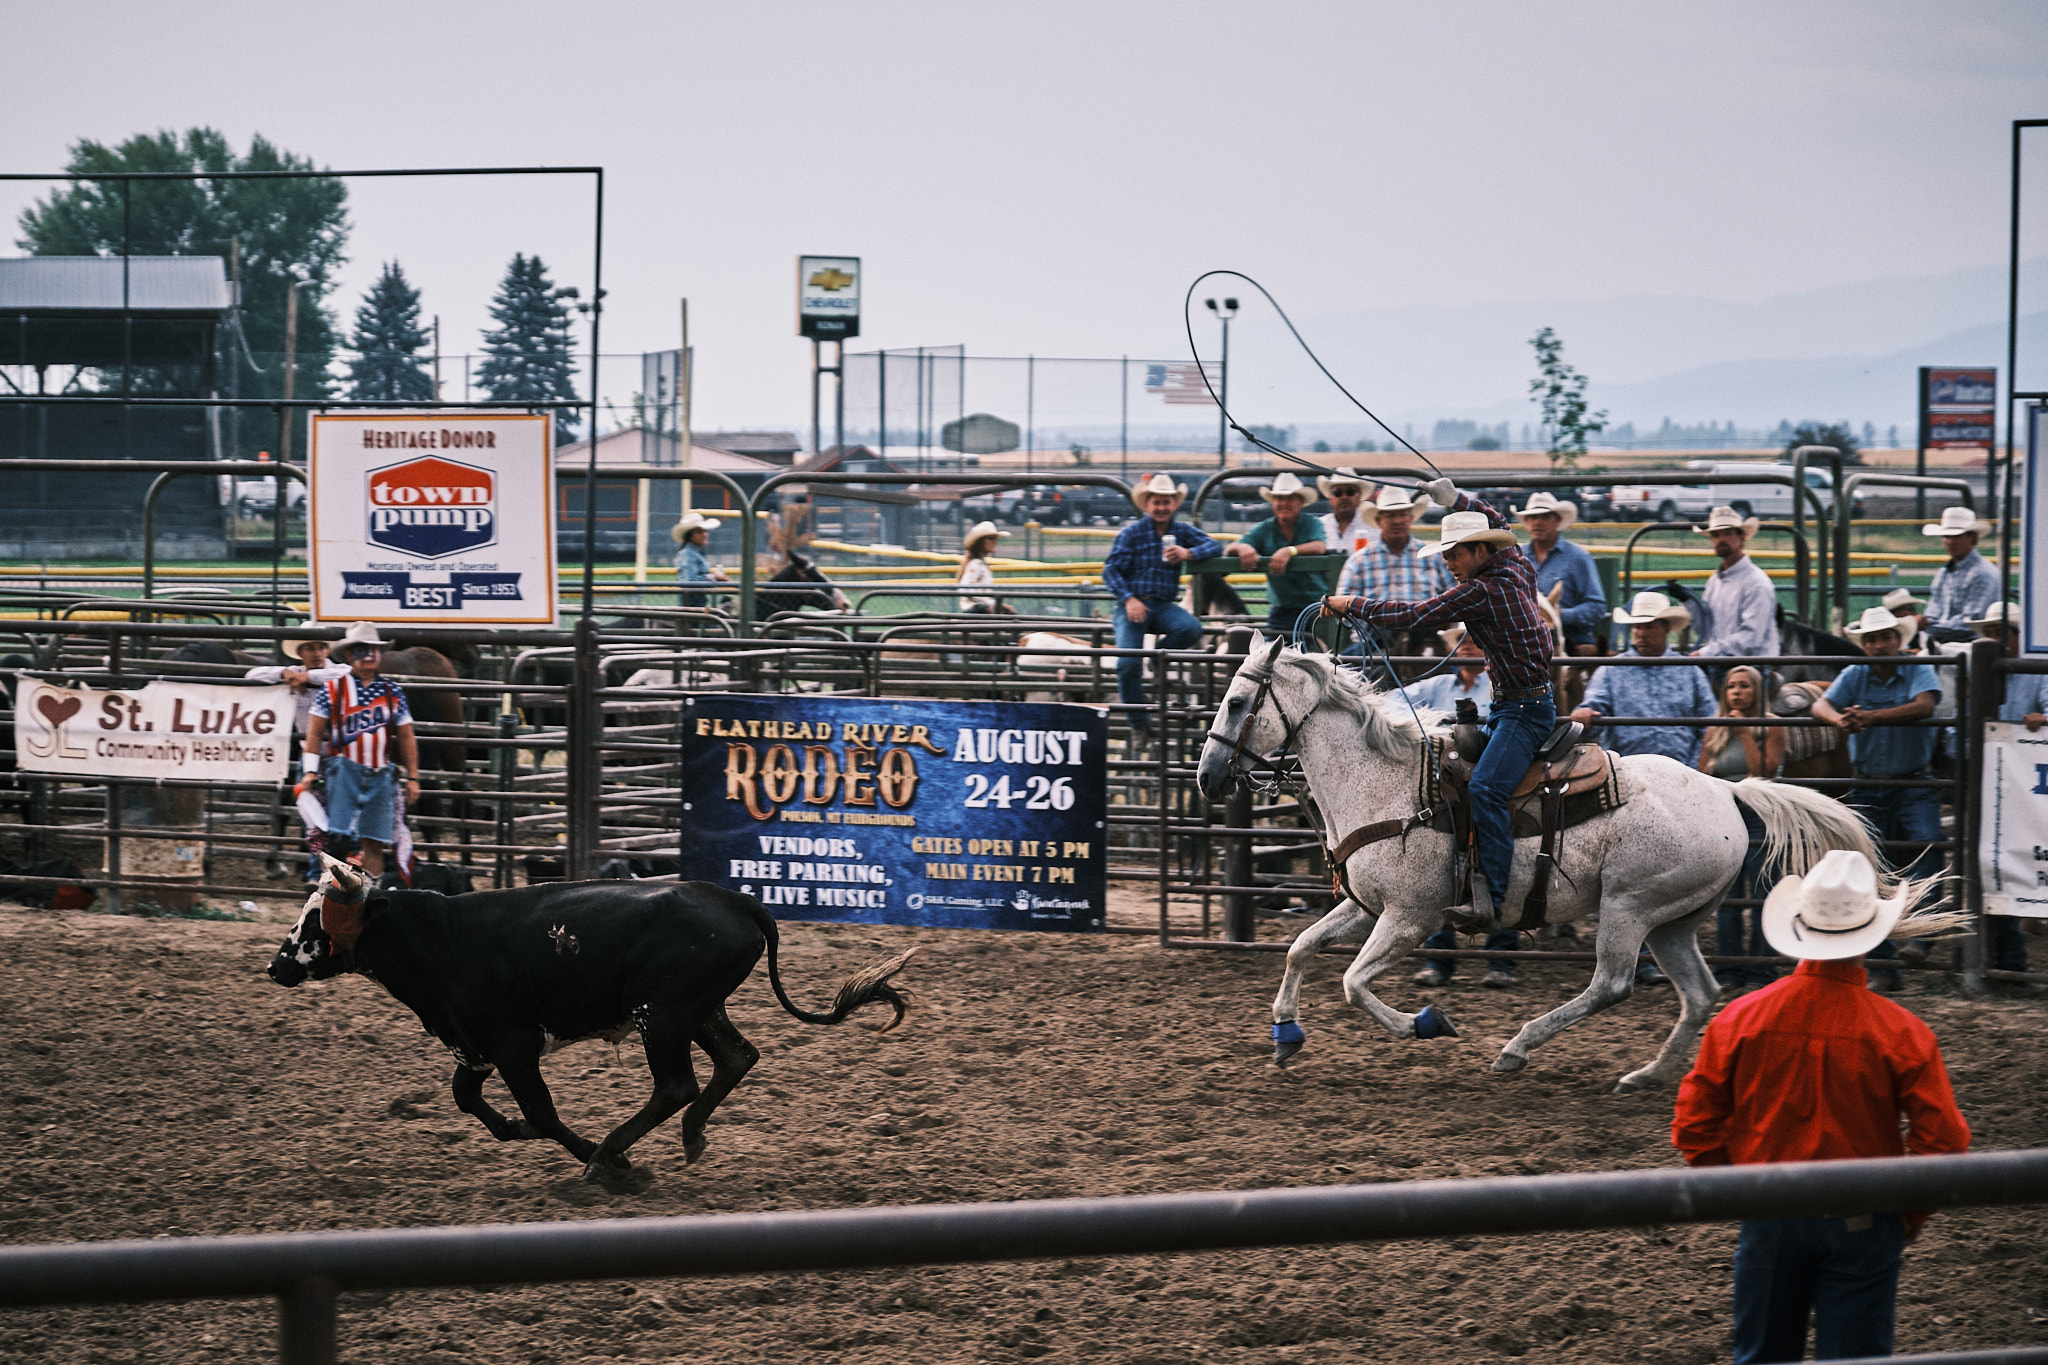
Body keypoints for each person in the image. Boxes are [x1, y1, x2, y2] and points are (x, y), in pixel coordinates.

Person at [1672, 849, 1970, 1364]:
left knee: (1763, 1354)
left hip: (1769, 1209)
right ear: (1871, 935)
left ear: (1800, 926)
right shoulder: (1902, 1032)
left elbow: (1694, 1124)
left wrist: (1738, 1191)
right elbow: (1946, 1140)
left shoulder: (1739, 1019)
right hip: (1865, 1214)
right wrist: (1905, 1214)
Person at [1325, 479, 1551, 930]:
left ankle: (1494, 898)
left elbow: (1415, 615)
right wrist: (1455, 500)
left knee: (1485, 789)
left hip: (1522, 712)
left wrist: (1353, 603)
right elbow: (1501, 523)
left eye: (1455, 554)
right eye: (1445, 555)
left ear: (1481, 551)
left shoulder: (1482, 592)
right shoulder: (1515, 565)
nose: (1448, 563)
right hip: (1516, 705)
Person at [1810, 606, 1943, 992]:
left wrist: (1869, 717)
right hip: (1871, 783)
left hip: (1912, 780)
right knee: (1872, 865)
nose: (1879, 645)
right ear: (1865, 645)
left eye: (1885, 637)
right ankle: (1886, 962)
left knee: (1927, 844)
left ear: (1898, 640)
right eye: (1871, 639)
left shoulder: (1916, 667)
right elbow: (1820, 705)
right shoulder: (1856, 673)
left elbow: (1925, 705)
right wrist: (1840, 720)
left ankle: (1920, 932)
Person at [1409, 627, 1520, 987]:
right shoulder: (1435, 687)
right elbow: (1393, 702)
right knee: (1439, 862)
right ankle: (1440, 957)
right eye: (1461, 640)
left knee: (1496, 852)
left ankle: (1499, 957)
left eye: (1474, 639)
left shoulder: (1499, 686)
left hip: (1490, 781)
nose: (1467, 646)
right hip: (1447, 788)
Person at [1102, 473, 1222, 744]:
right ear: (1147, 505)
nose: (1162, 507)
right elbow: (1110, 570)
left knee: (1192, 628)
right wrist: (1129, 599)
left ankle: (1158, 659)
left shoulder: (1181, 531)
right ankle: (1139, 724)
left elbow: (1215, 546)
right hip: (1132, 605)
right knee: (1127, 664)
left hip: (1162, 605)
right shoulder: (1132, 534)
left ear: (1174, 504)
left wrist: (1188, 553)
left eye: (1167, 502)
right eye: (1157, 502)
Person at [302, 621, 422, 881]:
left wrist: (413, 776)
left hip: (380, 772)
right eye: (361, 649)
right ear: (349, 655)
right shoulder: (333, 689)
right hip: (343, 770)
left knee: (374, 841)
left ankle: (370, 892)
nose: (369, 655)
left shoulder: (392, 691)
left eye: (373, 649)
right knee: (337, 838)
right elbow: (314, 732)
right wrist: (310, 771)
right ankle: (334, 891)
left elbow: (406, 735)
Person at [1698, 665, 1785, 991]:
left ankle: (1762, 969)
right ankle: (1729, 968)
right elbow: (1703, 776)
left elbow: (1764, 772)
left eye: (1745, 686)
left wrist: (1745, 733)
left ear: (1757, 691)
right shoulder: (1716, 729)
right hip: (1726, 815)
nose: (1736, 692)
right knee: (1728, 897)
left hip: (1761, 815)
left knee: (1764, 893)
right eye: (1731, 686)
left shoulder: (1771, 725)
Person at [1973, 601, 2041, 977]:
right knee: (1998, 860)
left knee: (2005, 858)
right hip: (2004, 775)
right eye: (1990, 634)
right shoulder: (1984, 672)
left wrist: (2041, 720)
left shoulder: (2035, 671)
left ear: (2019, 636)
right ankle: (2007, 958)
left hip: (2022, 777)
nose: (1995, 640)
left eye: (2002, 633)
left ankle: (2005, 959)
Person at [1572, 592, 1718, 766]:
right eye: (1637, 627)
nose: (1641, 633)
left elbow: (1710, 723)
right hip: (1627, 769)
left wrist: (1694, 766)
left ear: (1666, 629)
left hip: (1682, 768)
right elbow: (1593, 708)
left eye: (1649, 627)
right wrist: (1586, 712)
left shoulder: (1690, 672)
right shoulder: (1611, 670)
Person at [1333, 485, 1454, 657]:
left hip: (1425, 638)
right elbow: (1344, 610)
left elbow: (1452, 600)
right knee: (1341, 666)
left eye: (1402, 514)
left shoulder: (1433, 557)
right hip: (1375, 642)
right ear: (1379, 520)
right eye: (1390, 515)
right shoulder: (1359, 561)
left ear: (1411, 518)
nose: (1397, 521)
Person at [1227, 471, 1332, 635]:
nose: (1283, 503)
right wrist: (1242, 548)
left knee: (1322, 647)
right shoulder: (1265, 528)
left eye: (1290, 498)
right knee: (1274, 649)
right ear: (1273, 503)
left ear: (1300, 502)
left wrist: (1289, 550)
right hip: (1282, 609)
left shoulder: (1312, 523)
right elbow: (1233, 547)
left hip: (1316, 607)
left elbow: (1319, 546)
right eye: (1279, 498)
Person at [1518, 492, 1606, 656]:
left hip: (1571, 636)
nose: (1537, 522)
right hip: (1523, 636)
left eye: (1545, 517)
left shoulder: (1578, 557)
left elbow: (1596, 607)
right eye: (1533, 517)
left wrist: (1562, 615)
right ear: (1527, 522)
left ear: (1557, 520)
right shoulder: (1517, 557)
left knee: (1584, 662)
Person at [1691, 507, 1781, 660]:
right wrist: (1688, 602)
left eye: (1728, 533)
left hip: (1752, 665)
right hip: (1720, 662)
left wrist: (1706, 653)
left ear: (1742, 537)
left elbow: (1751, 638)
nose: (1721, 540)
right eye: (1716, 535)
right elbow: (1704, 629)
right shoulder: (1714, 581)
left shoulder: (1757, 583)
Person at [243, 625, 350, 736]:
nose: (317, 654)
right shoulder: (295, 672)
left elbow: (349, 673)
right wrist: (282, 673)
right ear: (300, 653)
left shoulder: (340, 669)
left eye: (321, 648)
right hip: (307, 742)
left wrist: (308, 676)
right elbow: (251, 675)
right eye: (310, 648)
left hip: (340, 743)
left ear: (327, 651)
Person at [1920, 506, 2000, 644]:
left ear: (1972, 538)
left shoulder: (1983, 573)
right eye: (1947, 536)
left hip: (1974, 645)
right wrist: (1926, 623)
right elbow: (1933, 611)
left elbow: (1970, 624)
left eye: (1957, 536)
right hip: (1942, 641)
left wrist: (1926, 625)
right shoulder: (1944, 572)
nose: (1951, 542)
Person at [672, 512, 729, 610]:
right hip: (691, 606)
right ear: (690, 536)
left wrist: (714, 578)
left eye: (704, 531)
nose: (704, 534)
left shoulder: (695, 553)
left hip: (697, 604)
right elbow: (690, 581)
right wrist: (713, 577)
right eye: (699, 532)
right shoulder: (688, 553)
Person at [1317, 468, 1377, 558]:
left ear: (1359, 496)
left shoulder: (1373, 526)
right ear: (1330, 497)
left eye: (1350, 492)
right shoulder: (1319, 525)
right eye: (1338, 493)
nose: (1344, 497)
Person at [957, 520, 1010, 613]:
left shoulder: (981, 563)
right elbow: (964, 589)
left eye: (995, 538)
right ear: (981, 542)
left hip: (979, 609)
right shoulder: (976, 563)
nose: (995, 541)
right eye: (991, 538)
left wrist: (995, 605)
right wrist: (985, 606)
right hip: (976, 611)